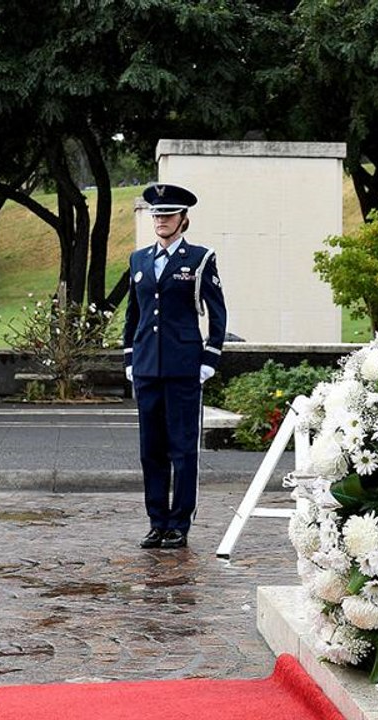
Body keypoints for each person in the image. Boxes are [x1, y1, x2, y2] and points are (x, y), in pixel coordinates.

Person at [123, 183, 228, 549]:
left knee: (182, 449)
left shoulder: (199, 258)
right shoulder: (138, 260)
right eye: (156, 214)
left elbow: (217, 312)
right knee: (150, 449)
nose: (160, 220)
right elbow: (132, 314)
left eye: (168, 214)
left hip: (184, 366)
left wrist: (210, 357)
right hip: (148, 366)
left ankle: (179, 523)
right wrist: (129, 358)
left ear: (183, 219)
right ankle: (157, 521)